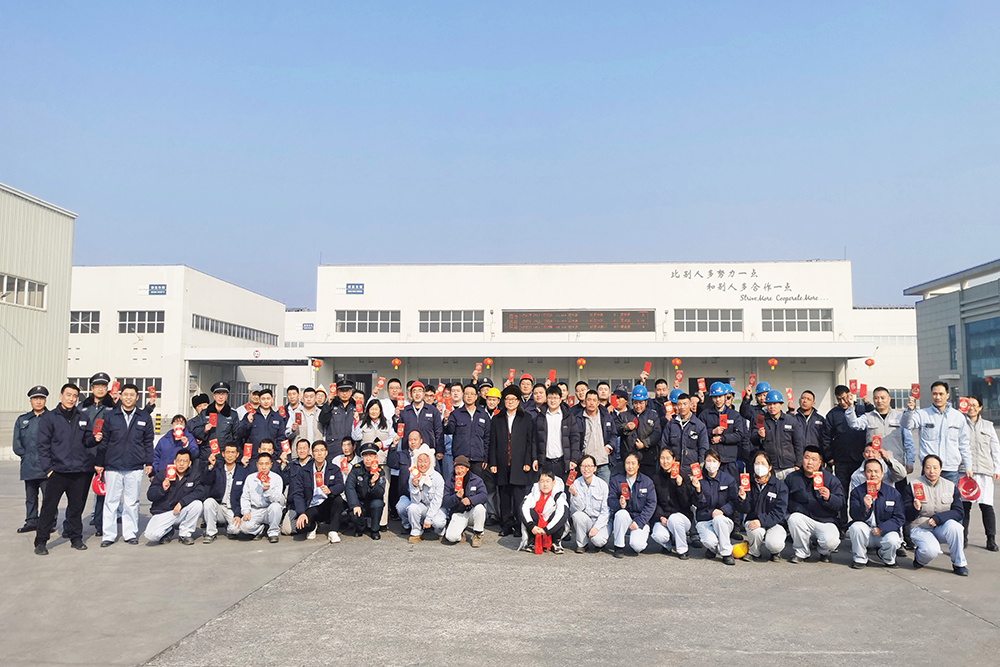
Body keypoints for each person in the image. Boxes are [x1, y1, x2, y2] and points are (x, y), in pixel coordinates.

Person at [34, 384, 102, 555]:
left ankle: (76, 538)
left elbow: (87, 441)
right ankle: (41, 541)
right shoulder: (50, 418)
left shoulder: (83, 417)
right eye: (68, 395)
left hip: (79, 471)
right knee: (49, 508)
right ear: (61, 396)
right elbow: (43, 446)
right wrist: (48, 469)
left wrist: (94, 439)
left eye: (74, 396)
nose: (71, 399)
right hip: (57, 471)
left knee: (76, 508)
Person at [96, 384, 154, 547]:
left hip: (134, 465)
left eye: (132, 395)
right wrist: (99, 463)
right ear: (120, 396)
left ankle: (130, 533)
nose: (128, 398)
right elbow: (104, 441)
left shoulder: (144, 417)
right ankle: (109, 535)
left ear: (137, 397)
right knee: (111, 502)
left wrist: (149, 462)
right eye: (126, 394)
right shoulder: (110, 416)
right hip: (112, 465)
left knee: (131, 502)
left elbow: (148, 442)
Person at [904, 454, 968, 576]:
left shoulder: (950, 486)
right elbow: (906, 515)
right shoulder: (913, 485)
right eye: (928, 467)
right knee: (931, 551)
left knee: (956, 527)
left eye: (935, 467)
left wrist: (938, 519)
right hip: (920, 527)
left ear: (940, 469)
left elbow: (959, 512)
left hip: (941, 527)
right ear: (923, 468)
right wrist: (915, 508)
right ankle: (920, 559)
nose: (931, 471)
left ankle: (959, 563)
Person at [489, 385, 537, 536]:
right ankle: (506, 525)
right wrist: (493, 462)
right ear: (503, 401)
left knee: (518, 497)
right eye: (507, 399)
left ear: (518, 401)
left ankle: (519, 524)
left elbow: (530, 442)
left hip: (520, 463)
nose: (510, 402)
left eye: (513, 399)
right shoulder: (497, 419)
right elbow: (492, 442)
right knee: (504, 496)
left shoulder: (526, 418)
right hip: (502, 462)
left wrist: (528, 461)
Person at [902, 382, 972, 484]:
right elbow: (907, 425)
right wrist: (909, 410)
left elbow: (964, 444)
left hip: (950, 469)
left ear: (947, 395)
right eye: (934, 394)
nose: (937, 397)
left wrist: (968, 466)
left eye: (941, 394)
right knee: (927, 494)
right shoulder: (922, 414)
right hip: (929, 469)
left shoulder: (958, 417)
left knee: (950, 494)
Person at [785, 446, 845, 563]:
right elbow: (785, 501)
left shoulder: (830, 479)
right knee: (794, 518)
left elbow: (841, 503)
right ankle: (802, 552)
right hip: (804, 520)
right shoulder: (792, 477)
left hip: (826, 521)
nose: (809, 462)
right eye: (806, 458)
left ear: (820, 462)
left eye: (813, 459)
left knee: (830, 541)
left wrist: (829, 497)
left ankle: (824, 552)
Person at [827, 385, 874, 525]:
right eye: (839, 399)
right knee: (841, 492)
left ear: (849, 395)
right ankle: (842, 523)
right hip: (841, 459)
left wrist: (868, 404)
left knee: (861, 491)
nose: (843, 402)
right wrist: (829, 457)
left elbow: (873, 416)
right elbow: (826, 437)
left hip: (859, 458)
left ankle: (861, 520)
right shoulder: (832, 414)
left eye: (844, 398)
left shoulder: (860, 409)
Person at [848, 459, 905, 569]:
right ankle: (860, 558)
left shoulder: (893, 493)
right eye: (869, 471)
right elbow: (854, 515)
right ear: (865, 474)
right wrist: (865, 507)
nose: (873, 474)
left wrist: (882, 528)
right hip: (867, 532)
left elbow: (899, 518)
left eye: (876, 471)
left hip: (884, 532)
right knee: (856, 527)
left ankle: (887, 558)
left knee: (893, 539)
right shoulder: (857, 492)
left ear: (882, 474)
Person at [143, 449, 205, 545]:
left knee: (197, 504)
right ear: (174, 462)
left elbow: (200, 492)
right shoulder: (163, 474)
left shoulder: (194, 475)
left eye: (185, 461)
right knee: (151, 535)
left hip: (180, 511)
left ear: (189, 463)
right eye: (179, 460)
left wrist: (182, 503)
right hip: (163, 513)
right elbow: (150, 495)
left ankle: (185, 534)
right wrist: (162, 489)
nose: (181, 464)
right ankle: (168, 530)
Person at [353, 398, 396, 531]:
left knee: (384, 492)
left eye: (376, 409)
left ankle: (382, 522)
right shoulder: (363, 423)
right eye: (371, 409)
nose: (374, 411)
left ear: (380, 410)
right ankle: (368, 522)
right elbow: (355, 437)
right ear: (368, 410)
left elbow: (394, 437)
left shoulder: (387, 423)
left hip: (382, 461)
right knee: (366, 490)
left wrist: (382, 444)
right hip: (366, 463)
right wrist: (356, 421)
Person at [737, 451, 788, 562]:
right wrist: (743, 499)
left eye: (763, 463)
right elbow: (745, 509)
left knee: (774, 544)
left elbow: (780, 511)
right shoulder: (748, 483)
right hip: (753, 520)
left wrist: (761, 521)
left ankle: (775, 552)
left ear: (769, 467)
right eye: (757, 463)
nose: (760, 466)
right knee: (755, 531)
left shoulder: (779, 486)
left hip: (775, 522)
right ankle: (754, 552)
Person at [963, 396, 999, 551]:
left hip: (984, 470)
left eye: (974, 405)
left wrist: (997, 469)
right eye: (968, 404)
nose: (971, 408)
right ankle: (962, 538)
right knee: (964, 507)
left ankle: (991, 539)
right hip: (965, 472)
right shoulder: (959, 424)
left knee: (986, 506)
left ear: (980, 407)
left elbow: (995, 448)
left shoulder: (988, 426)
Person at [291, 441, 345, 543]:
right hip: (311, 505)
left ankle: (333, 531)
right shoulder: (304, 471)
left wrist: (330, 490)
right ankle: (313, 526)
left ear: (326, 453)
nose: (319, 453)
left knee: (338, 500)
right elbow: (298, 493)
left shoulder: (334, 469)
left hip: (326, 503)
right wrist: (301, 513)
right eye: (316, 451)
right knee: (301, 527)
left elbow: (340, 486)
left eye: (322, 450)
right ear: (312, 454)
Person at [692, 449, 738, 565]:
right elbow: (697, 504)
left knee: (718, 519)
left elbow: (734, 501)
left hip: (724, 520)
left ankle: (727, 554)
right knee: (709, 541)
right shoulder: (699, 480)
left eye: (714, 461)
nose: (711, 464)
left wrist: (722, 510)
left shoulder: (728, 479)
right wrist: (698, 490)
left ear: (719, 463)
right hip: (705, 519)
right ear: (704, 462)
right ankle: (713, 548)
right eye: (708, 461)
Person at [607, 452, 657, 558]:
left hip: (640, 519)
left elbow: (651, 504)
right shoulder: (616, 480)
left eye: (633, 463)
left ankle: (635, 540)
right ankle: (619, 546)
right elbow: (610, 500)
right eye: (627, 463)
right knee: (621, 514)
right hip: (624, 517)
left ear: (638, 465)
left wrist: (639, 522)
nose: (630, 466)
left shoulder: (646, 482)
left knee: (637, 546)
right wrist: (620, 504)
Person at [13, 386, 48, 534]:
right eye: (35, 398)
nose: (38, 401)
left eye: (41, 398)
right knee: (31, 497)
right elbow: (17, 444)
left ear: (45, 400)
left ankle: (48, 522)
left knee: (49, 497)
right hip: (29, 465)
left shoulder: (52, 418)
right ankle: (31, 521)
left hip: (47, 466)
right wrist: (26, 456)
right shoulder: (23, 420)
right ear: (30, 401)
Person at [649, 448, 695, 559]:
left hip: (681, 517)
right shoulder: (655, 478)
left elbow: (687, 503)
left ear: (674, 459)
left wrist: (680, 486)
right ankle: (668, 545)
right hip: (664, 517)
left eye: (668, 458)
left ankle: (682, 550)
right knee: (657, 535)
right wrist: (660, 517)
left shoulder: (683, 476)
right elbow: (653, 501)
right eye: (662, 458)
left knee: (674, 519)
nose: (665, 461)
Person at [749, 390, 804, 481]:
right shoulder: (760, 419)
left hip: (789, 466)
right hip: (770, 467)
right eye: (769, 404)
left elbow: (799, 444)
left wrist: (798, 464)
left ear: (781, 404)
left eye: (775, 404)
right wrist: (759, 436)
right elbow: (753, 439)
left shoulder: (791, 420)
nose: (772, 407)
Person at [698, 382, 747, 481]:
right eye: (715, 397)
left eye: (720, 396)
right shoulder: (705, 415)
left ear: (725, 396)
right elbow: (699, 433)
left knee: (731, 486)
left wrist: (721, 438)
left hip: (730, 460)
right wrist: (712, 432)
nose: (718, 400)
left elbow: (739, 435)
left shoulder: (734, 415)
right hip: (712, 460)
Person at [233, 451, 284, 543]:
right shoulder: (250, 478)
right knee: (244, 528)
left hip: (269, 509)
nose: (263, 467)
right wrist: (246, 511)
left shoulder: (277, 478)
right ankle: (261, 529)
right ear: (257, 464)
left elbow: (276, 499)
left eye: (266, 464)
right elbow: (245, 497)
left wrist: (267, 490)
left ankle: (273, 532)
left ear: (271, 465)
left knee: (276, 507)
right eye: (261, 464)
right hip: (255, 510)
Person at [200, 443, 248, 542]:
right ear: (223, 454)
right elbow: (206, 481)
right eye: (227, 452)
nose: (230, 455)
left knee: (236, 530)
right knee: (208, 502)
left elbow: (245, 496)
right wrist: (211, 466)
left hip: (233, 509)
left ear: (237, 455)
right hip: (219, 506)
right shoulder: (217, 468)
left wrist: (238, 514)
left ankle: (229, 528)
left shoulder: (242, 472)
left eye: (233, 452)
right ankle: (211, 533)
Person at [534, 384, 581, 482]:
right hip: (545, 462)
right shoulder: (540, 417)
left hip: (563, 462)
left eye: (555, 398)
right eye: (550, 397)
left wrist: (574, 459)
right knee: (545, 488)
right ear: (546, 399)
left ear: (560, 399)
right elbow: (534, 440)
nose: (552, 400)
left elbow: (575, 438)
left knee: (564, 489)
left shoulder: (568, 416)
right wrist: (535, 459)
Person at [615, 385, 662, 479]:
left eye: (641, 403)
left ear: (646, 402)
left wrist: (644, 444)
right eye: (635, 403)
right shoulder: (624, 415)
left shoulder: (653, 415)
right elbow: (615, 429)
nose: (638, 406)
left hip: (647, 459)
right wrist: (625, 427)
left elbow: (657, 433)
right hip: (628, 459)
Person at [518, 470, 569, 554]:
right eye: (542, 481)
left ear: (553, 483)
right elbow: (523, 508)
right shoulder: (533, 493)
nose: (545, 484)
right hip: (536, 527)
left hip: (551, 528)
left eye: (548, 481)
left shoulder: (559, 495)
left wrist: (547, 530)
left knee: (559, 515)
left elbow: (562, 513)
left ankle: (555, 542)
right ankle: (531, 541)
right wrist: (531, 526)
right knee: (529, 512)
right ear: (538, 482)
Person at [568, 455, 611, 553]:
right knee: (577, 515)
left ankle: (599, 541)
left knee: (598, 541)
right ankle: (582, 544)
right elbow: (578, 509)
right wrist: (575, 495)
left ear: (595, 468)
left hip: (599, 520)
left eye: (589, 466)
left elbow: (605, 511)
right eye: (583, 466)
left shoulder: (602, 485)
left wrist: (596, 527)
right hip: (586, 519)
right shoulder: (576, 483)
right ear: (580, 468)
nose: (586, 469)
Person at [442, 455, 488, 546]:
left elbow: (484, 496)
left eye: (462, 468)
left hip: (472, 512)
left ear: (467, 468)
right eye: (457, 468)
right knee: (451, 537)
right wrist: (456, 497)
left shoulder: (476, 479)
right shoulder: (450, 481)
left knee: (480, 508)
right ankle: (460, 533)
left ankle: (478, 534)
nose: (459, 471)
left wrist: (471, 500)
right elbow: (445, 502)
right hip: (458, 512)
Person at [405, 446, 447, 543]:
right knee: (412, 508)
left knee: (439, 522)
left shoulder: (437, 477)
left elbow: (437, 501)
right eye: (420, 461)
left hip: (436, 508)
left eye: (425, 461)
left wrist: (428, 518)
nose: (422, 464)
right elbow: (415, 501)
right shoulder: (413, 476)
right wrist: (415, 487)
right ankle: (416, 532)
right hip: (422, 506)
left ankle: (440, 532)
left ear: (430, 462)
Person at [345, 442, 386, 539]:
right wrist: (355, 505)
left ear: (376, 457)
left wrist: (373, 484)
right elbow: (349, 487)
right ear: (362, 457)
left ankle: (375, 530)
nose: (368, 459)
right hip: (360, 502)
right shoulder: (356, 469)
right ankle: (360, 528)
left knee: (378, 504)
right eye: (365, 456)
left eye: (371, 456)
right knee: (353, 513)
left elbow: (380, 493)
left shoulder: (380, 471)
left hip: (372, 501)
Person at [660, 393, 709, 473]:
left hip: (692, 469)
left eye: (685, 404)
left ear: (690, 405)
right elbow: (664, 445)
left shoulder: (699, 426)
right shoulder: (670, 425)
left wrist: (701, 466)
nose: (682, 407)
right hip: (674, 469)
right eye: (679, 404)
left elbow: (703, 448)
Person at [575, 390, 616, 483]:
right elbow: (575, 439)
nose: (591, 403)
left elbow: (613, 434)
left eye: (594, 400)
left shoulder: (606, 417)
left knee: (604, 489)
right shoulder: (578, 418)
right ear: (585, 401)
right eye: (589, 400)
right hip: (586, 464)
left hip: (603, 462)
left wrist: (609, 447)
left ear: (598, 403)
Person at [398, 381, 445, 462]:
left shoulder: (433, 410)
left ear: (423, 394)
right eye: (414, 391)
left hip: (428, 451)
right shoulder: (404, 411)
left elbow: (439, 431)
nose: (417, 394)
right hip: (409, 452)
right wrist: (396, 417)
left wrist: (439, 450)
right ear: (410, 394)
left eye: (420, 391)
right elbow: (398, 430)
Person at [191, 382, 242, 451]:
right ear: (214, 396)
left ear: (226, 396)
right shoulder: (205, 412)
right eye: (218, 394)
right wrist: (204, 430)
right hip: (207, 452)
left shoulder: (232, 414)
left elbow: (237, 436)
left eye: (223, 394)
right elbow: (195, 431)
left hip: (225, 452)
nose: (221, 397)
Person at [239, 388, 287, 458]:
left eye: (268, 399)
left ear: (272, 400)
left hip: (272, 457)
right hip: (253, 456)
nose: (266, 401)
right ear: (259, 400)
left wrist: (279, 455)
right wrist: (248, 423)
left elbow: (281, 438)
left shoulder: (278, 417)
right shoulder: (251, 415)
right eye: (263, 399)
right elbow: (241, 434)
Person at [789, 390, 832, 463]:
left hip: (815, 459)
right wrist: (790, 412)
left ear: (813, 404)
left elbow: (825, 440)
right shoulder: (793, 419)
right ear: (799, 400)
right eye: (803, 398)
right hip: (798, 459)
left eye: (808, 399)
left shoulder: (820, 419)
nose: (805, 401)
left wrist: (826, 458)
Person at [320, 379, 357, 451]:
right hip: (334, 446)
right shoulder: (331, 405)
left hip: (351, 446)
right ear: (337, 392)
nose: (344, 394)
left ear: (351, 392)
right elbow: (322, 420)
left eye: (347, 391)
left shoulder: (356, 406)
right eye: (342, 391)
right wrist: (328, 404)